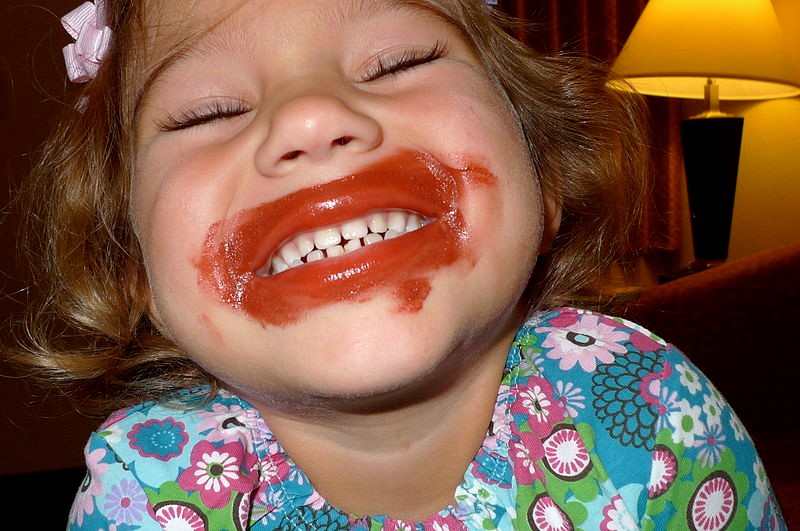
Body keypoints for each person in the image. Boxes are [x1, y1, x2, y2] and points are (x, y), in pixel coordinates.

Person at [8, 0, 785, 529]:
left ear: (545, 174)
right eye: (208, 112)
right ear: (134, 271)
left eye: (396, 62)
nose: (310, 119)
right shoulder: (146, 493)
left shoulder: (643, 405)